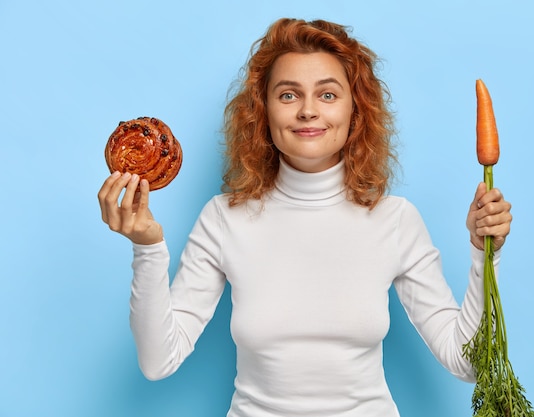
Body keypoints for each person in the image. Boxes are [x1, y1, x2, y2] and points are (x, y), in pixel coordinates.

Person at [98, 18, 512, 417]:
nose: (308, 111)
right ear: (263, 113)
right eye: (288, 94)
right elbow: (158, 360)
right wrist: (147, 247)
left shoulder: (396, 220)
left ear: (356, 111)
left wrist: (483, 253)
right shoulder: (224, 218)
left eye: (328, 95)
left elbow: (468, 363)